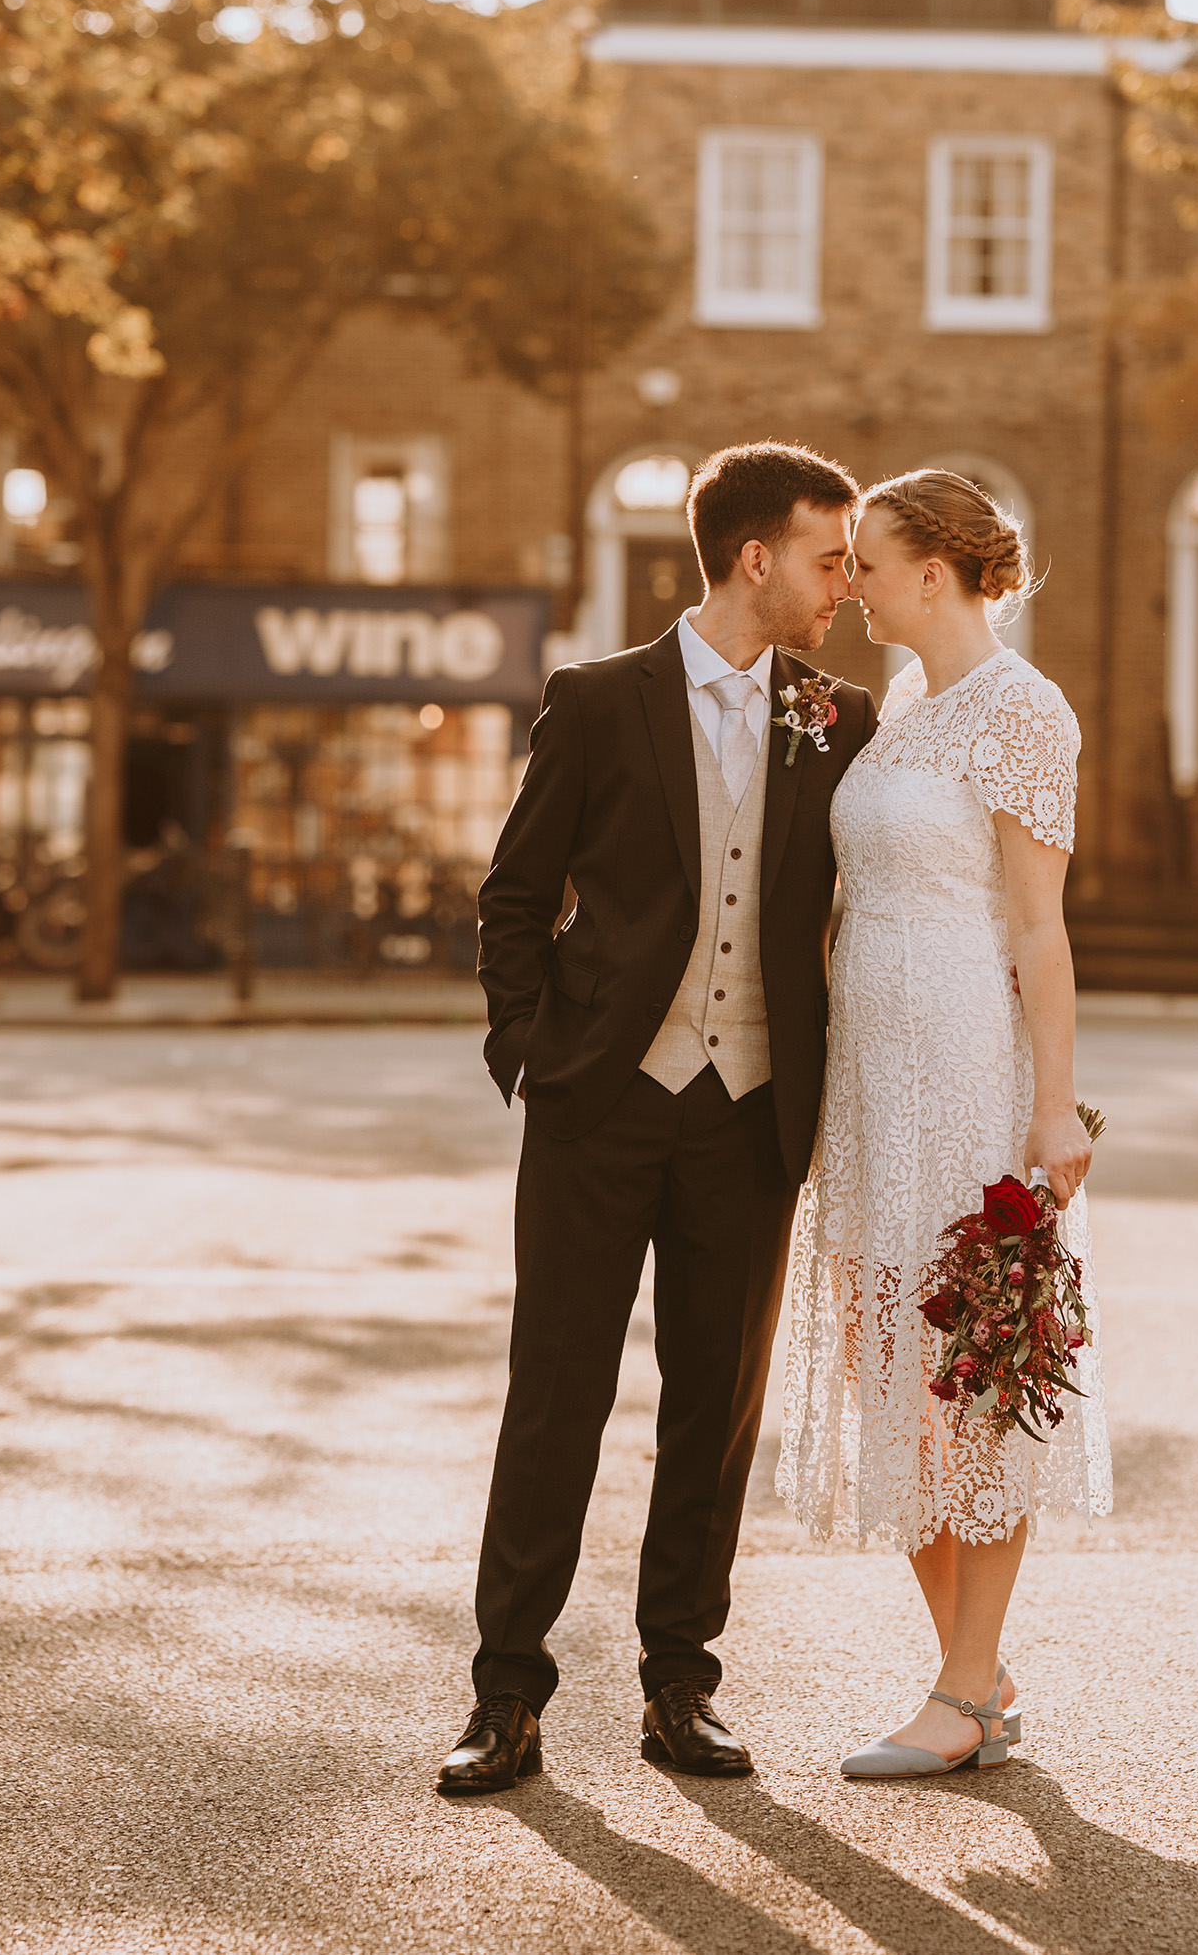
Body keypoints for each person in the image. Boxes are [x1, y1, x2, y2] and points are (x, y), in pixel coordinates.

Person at [438, 441, 879, 1794]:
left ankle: (680, 1684)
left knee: (715, 1413)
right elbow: (513, 898)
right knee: (555, 1396)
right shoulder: (600, 698)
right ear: (755, 556)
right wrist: (532, 1054)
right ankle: (506, 1695)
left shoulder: (839, 718)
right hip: (600, 1109)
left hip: (749, 1118)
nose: (843, 585)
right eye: (827, 556)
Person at [776, 469, 1110, 1775]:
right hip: (867, 1081)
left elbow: (1040, 925)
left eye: (867, 558)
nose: (848, 580)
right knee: (885, 1380)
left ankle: (965, 1691)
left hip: (968, 1068)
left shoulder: (1025, 712)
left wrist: (1051, 1102)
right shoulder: (901, 708)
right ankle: (977, 1673)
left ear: (935, 570)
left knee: (972, 1380)